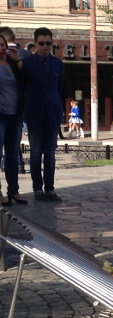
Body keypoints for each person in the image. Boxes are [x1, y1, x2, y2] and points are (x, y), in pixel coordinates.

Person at [22, 27, 64, 202]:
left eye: (48, 43)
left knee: (50, 153)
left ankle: (50, 189)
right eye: (42, 43)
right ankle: (37, 189)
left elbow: (59, 88)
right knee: (36, 152)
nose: (45, 46)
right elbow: (23, 87)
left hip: (52, 113)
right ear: (35, 43)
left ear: (52, 43)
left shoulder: (58, 64)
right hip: (34, 113)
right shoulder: (28, 63)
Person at [0, 32, 30, 206]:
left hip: (15, 115)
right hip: (0, 116)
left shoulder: (13, 63)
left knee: (12, 154)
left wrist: (18, 60)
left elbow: (29, 80)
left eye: (3, 44)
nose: (2, 47)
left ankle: (14, 191)